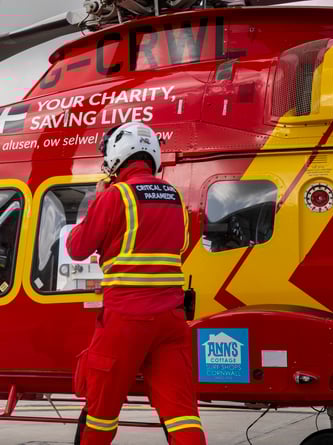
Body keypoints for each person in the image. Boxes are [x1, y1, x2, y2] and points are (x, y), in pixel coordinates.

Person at [67, 122, 206, 445]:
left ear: (116, 155)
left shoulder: (116, 195)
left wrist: (97, 204)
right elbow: (183, 245)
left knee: (101, 411)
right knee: (182, 412)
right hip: (171, 321)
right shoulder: (175, 198)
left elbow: (77, 247)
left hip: (125, 319)